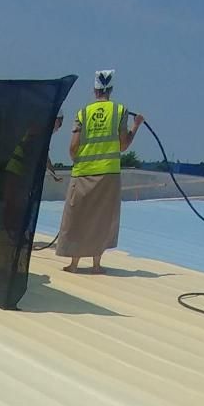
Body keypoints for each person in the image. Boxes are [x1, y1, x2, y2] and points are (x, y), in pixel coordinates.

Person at [55, 68, 142, 273]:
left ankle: (74, 264)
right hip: (108, 172)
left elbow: (73, 147)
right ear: (110, 89)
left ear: (94, 90)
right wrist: (136, 126)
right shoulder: (120, 111)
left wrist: (79, 162)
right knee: (102, 218)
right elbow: (123, 145)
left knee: (77, 217)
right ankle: (96, 265)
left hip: (83, 172)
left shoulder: (83, 113)